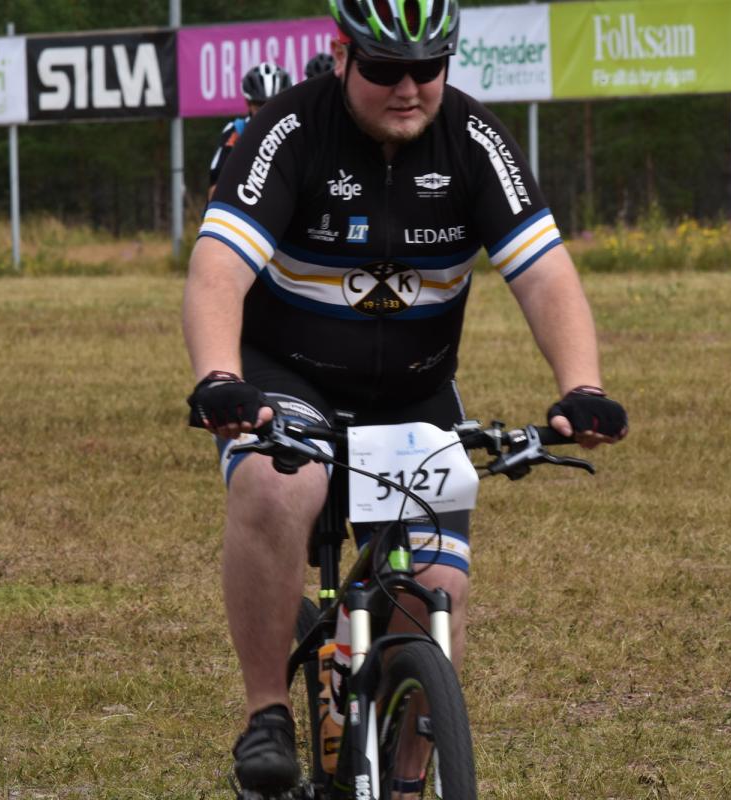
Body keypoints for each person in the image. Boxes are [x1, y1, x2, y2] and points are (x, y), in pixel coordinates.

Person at [183, 0, 628, 795]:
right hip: (289, 375)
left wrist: (582, 386)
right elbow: (219, 266)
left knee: (438, 588)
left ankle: (410, 778)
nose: (408, 87)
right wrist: (220, 375)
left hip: (414, 390)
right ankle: (266, 716)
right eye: (386, 67)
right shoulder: (288, 129)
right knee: (281, 486)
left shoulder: (475, 140)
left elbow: (545, 274)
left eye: (428, 67)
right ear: (342, 55)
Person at [207, 62, 292, 201]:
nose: (267, 112)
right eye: (260, 106)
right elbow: (214, 191)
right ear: (248, 103)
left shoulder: (297, 133)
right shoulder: (236, 131)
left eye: (274, 105)